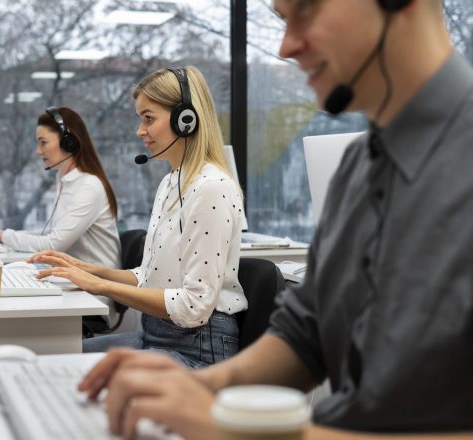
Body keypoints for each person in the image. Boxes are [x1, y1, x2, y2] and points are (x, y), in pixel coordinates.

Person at [76, 0, 473, 438]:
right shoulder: (360, 166)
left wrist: (232, 426)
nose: (286, 47)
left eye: (305, 10)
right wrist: (196, 387)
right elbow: (305, 336)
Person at [30, 66, 247, 368]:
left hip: (199, 349)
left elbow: (194, 306)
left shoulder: (211, 187)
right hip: (155, 334)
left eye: (148, 118)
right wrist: (89, 270)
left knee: (75, 374)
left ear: (186, 120)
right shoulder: (172, 182)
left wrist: (101, 287)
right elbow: (147, 277)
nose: (140, 130)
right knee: (58, 360)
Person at [0, 107, 120, 269]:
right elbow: (51, 235)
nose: (38, 151)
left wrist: (3, 236)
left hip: (96, 288)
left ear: (69, 143)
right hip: (75, 277)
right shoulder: (66, 180)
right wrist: (1, 235)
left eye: (43, 142)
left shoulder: (88, 187)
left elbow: (53, 244)